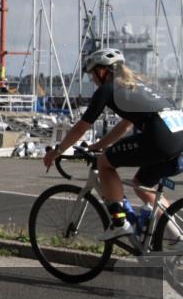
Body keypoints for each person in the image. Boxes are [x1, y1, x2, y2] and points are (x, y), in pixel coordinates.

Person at [44, 48, 183, 239]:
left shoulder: (108, 89)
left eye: (92, 74)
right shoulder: (136, 85)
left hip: (161, 137)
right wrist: (97, 145)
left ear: (102, 72)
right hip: (178, 135)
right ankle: (177, 237)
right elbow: (125, 125)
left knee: (104, 163)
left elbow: (81, 127)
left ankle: (119, 222)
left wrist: (58, 151)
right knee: (141, 184)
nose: (92, 79)